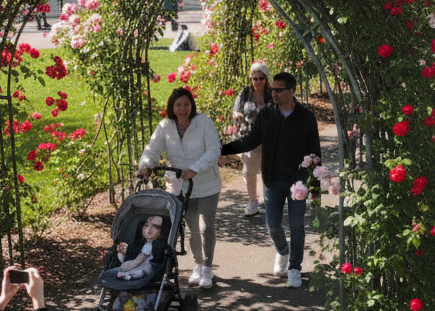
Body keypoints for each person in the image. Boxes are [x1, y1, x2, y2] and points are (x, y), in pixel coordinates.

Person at [221, 71, 322, 289]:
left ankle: (295, 267)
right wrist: (224, 149)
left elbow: (315, 152)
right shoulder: (267, 114)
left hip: (298, 182)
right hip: (273, 179)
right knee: (273, 224)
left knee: (297, 226)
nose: (273, 93)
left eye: (278, 90)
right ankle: (283, 251)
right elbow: (250, 140)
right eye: (272, 89)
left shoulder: (306, 117)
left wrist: (315, 185)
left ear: (291, 91)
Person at [137, 87, 222, 289]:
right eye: (178, 105)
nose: (183, 109)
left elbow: (213, 150)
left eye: (186, 104)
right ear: (172, 107)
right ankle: (198, 264)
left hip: (207, 184)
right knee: (192, 229)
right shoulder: (165, 126)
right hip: (180, 186)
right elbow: (153, 149)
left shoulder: (203, 122)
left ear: (192, 105)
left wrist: (194, 169)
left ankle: (208, 267)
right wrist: (146, 165)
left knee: (206, 227)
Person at [231, 62, 274, 217]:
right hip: (249, 137)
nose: (258, 81)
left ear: (266, 78)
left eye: (261, 78)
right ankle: (253, 201)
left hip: (269, 138)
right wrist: (237, 114)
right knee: (249, 171)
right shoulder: (245, 93)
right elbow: (236, 109)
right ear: (251, 79)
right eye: (255, 78)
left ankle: (267, 201)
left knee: (267, 170)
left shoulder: (272, 94)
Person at [113, 215, 166, 280]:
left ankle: (129, 274)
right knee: (128, 264)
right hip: (139, 263)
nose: (149, 229)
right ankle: (127, 273)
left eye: (156, 227)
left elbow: (141, 258)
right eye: (146, 225)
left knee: (142, 270)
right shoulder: (141, 243)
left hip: (149, 265)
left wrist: (132, 264)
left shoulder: (154, 245)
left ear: (162, 231)